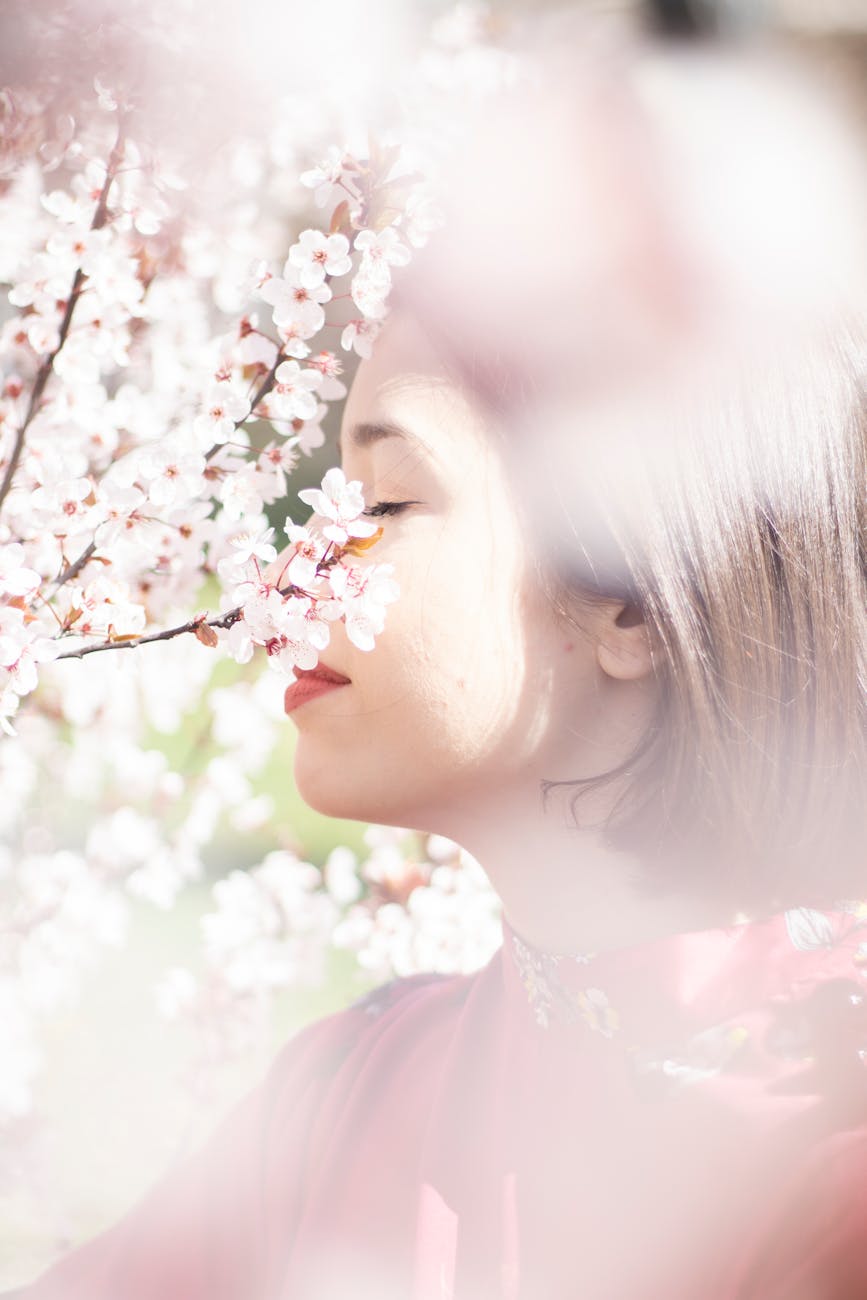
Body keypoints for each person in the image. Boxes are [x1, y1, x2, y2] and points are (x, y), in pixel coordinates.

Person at [7, 23, 867, 1300]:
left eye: (384, 502)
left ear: (633, 597)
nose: (283, 586)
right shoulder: (346, 1088)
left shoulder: (828, 1119)